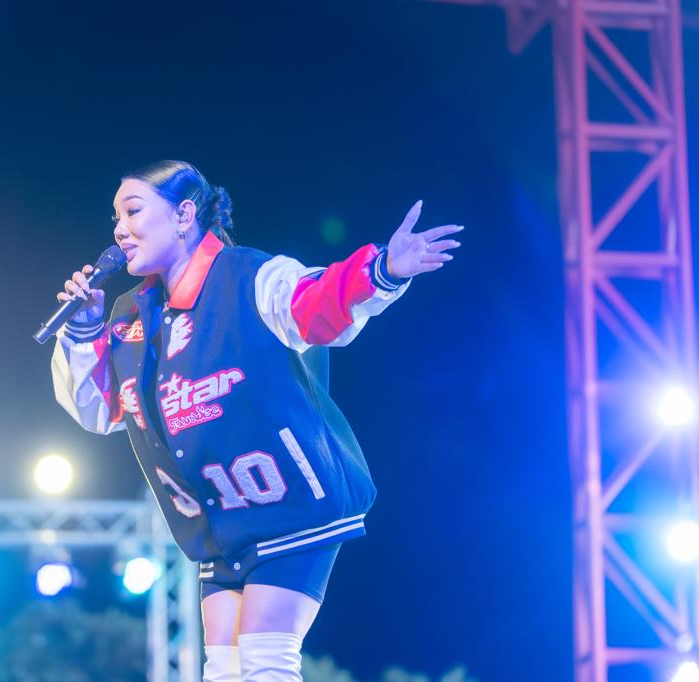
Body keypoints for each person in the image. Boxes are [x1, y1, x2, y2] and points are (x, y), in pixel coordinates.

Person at [50, 160, 461, 682]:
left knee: (266, 660)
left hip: (291, 505)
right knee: (224, 671)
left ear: (184, 215)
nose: (119, 229)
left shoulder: (249, 276)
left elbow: (316, 304)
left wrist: (383, 270)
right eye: (115, 217)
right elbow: (102, 410)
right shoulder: (132, 316)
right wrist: (84, 332)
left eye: (132, 211)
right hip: (222, 523)